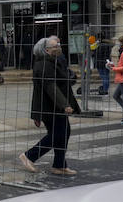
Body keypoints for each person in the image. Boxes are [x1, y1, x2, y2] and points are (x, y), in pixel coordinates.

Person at [19, 36, 81, 175]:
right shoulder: (44, 65)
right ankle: (29, 156)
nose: (58, 47)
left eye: (58, 44)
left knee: (63, 133)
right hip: (50, 106)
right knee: (59, 134)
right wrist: (64, 105)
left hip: (54, 106)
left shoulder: (54, 62)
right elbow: (50, 87)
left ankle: (59, 165)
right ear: (46, 50)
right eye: (55, 46)